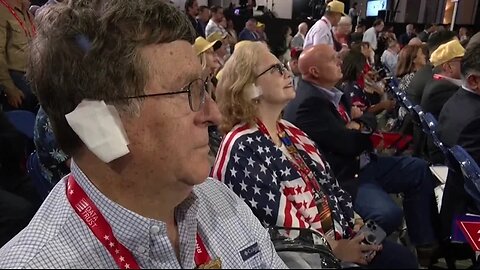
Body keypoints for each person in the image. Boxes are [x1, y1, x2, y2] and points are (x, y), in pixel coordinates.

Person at [0, 1, 287, 268]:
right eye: (190, 92)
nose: (214, 115)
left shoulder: (222, 201)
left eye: (205, 87)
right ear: (101, 124)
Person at [212, 41, 417, 269]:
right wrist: (337, 250)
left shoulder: (290, 131)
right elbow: (277, 235)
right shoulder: (242, 148)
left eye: (283, 67)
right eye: (275, 70)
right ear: (249, 87)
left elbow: (330, 187)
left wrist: (357, 225)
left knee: (400, 256)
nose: (288, 73)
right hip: (309, 258)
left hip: (339, 234)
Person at [283, 44, 439, 267]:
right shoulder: (309, 103)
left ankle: (424, 245)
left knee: (417, 168)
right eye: (332, 59)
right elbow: (350, 144)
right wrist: (362, 123)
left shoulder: (331, 92)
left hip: (363, 163)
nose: (339, 62)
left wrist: (358, 123)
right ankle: (357, 252)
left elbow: (356, 130)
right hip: (345, 175)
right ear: (315, 72)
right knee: (388, 213)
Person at [438, 43, 480, 239]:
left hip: (453, 201)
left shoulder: (454, 102)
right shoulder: (475, 118)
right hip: (467, 215)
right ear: (473, 80)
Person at [420, 39, 464, 164]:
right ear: (448, 66)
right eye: (462, 62)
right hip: (443, 156)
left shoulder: (437, 82)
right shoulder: (444, 89)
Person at [0, 0, 38, 112]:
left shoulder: (27, 12)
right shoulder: (2, 12)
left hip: (35, 75)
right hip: (17, 78)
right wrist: (9, 88)